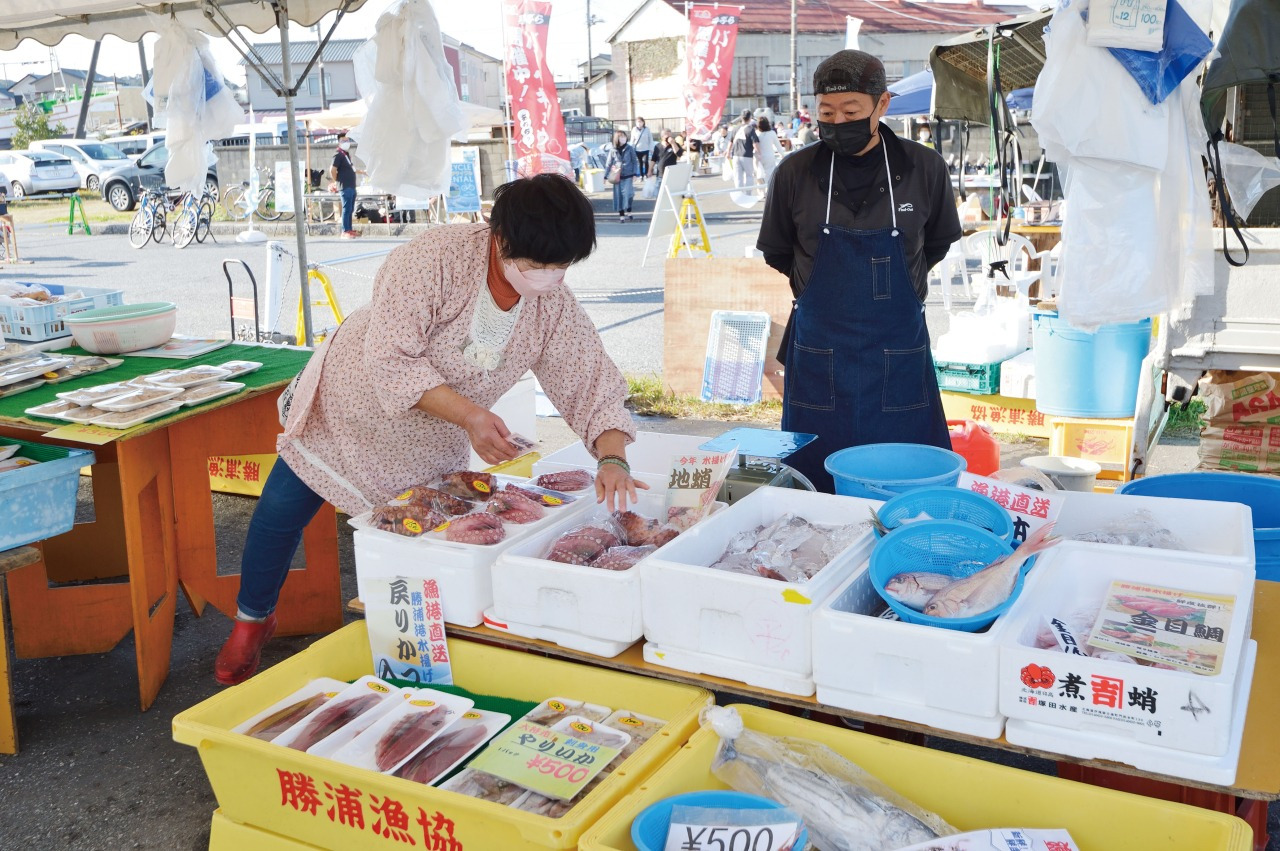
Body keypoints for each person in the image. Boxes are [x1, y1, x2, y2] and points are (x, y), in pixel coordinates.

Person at [214, 174, 646, 685]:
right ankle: (252, 620)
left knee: (416, 539)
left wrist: (612, 456)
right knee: (281, 510)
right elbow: (392, 357)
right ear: (500, 238)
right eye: (536, 265)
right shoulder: (432, 259)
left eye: (561, 267)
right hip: (350, 403)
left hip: (429, 437)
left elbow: (588, 379)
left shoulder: (552, 303)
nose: (548, 278)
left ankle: (414, 653)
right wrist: (470, 416)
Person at [756, 49, 962, 493]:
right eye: (826, 112)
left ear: (882, 105)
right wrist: (815, 285)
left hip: (897, 355)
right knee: (814, 482)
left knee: (903, 482)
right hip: (819, 355)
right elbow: (777, 251)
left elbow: (938, 243)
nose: (837, 122)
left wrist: (898, 283)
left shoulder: (923, 167)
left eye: (851, 111)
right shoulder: (795, 172)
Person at [329, 131, 359, 239]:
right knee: (346, 208)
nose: (346, 142)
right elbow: (332, 170)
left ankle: (349, 229)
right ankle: (345, 230)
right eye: (343, 140)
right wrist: (337, 180)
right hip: (344, 186)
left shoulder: (346, 155)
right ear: (339, 142)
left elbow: (352, 168)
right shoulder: (338, 154)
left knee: (350, 208)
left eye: (347, 140)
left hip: (351, 185)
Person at [605, 129, 639, 223]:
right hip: (617, 176)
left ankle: (629, 210)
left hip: (628, 175)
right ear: (617, 138)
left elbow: (634, 161)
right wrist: (605, 176)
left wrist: (635, 173)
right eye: (621, 137)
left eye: (624, 136)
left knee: (628, 194)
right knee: (618, 196)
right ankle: (622, 215)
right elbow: (608, 163)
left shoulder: (629, 148)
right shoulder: (613, 150)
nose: (623, 138)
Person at [729, 110, 758, 191]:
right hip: (747, 155)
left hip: (735, 155)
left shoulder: (735, 128)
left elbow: (730, 141)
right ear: (750, 118)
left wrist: (728, 152)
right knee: (749, 175)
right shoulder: (750, 129)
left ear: (741, 118)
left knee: (738, 176)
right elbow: (755, 142)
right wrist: (758, 153)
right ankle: (748, 194)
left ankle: (739, 195)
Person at [754, 116, 784, 185]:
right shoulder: (772, 133)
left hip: (758, 157)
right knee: (770, 176)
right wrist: (782, 155)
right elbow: (778, 146)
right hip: (769, 156)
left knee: (760, 176)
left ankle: (762, 193)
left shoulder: (756, 133)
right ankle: (769, 192)